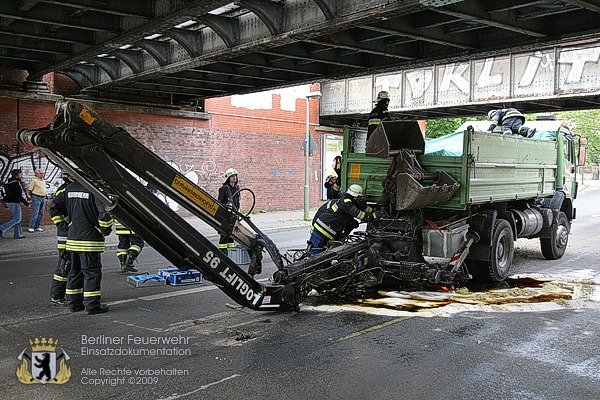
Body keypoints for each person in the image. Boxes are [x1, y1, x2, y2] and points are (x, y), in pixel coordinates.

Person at [49, 179, 113, 315]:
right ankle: (92, 305)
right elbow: (104, 213)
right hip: (90, 241)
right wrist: (105, 230)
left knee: (74, 272)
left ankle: (74, 304)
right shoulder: (95, 190)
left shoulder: (69, 188)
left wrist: (64, 226)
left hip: (72, 239)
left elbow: (54, 207)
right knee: (91, 274)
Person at [308, 184, 374, 255]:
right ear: (355, 197)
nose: (360, 199)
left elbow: (361, 207)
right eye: (359, 197)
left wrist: (373, 210)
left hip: (328, 230)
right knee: (314, 254)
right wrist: (372, 217)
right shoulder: (345, 203)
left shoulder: (349, 202)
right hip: (322, 230)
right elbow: (359, 214)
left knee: (324, 253)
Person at [49, 172, 74, 306]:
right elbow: (53, 209)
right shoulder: (65, 190)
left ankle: (72, 294)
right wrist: (63, 225)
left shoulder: (74, 188)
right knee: (64, 264)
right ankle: (57, 296)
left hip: (74, 233)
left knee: (74, 265)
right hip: (66, 234)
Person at [0, 168, 29, 239]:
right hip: (14, 203)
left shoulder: (12, 182)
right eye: (20, 173)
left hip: (11, 202)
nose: (21, 174)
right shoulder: (14, 184)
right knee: (17, 219)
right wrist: (26, 203)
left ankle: (18, 234)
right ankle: (1, 228)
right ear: (16, 175)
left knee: (17, 219)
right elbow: (18, 196)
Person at [217, 168, 241, 253]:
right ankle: (222, 251)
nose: (234, 177)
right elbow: (219, 202)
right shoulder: (224, 188)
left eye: (235, 175)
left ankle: (231, 252)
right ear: (228, 178)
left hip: (234, 216)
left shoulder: (237, 188)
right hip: (226, 216)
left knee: (231, 235)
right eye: (232, 176)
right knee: (224, 235)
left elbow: (237, 202)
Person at [27, 168, 47, 233]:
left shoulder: (43, 181)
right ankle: (31, 226)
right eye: (40, 173)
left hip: (43, 198)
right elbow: (29, 190)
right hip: (36, 197)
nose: (42, 174)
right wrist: (33, 196)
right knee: (35, 213)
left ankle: (37, 226)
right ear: (36, 174)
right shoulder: (34, 181)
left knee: (41, 213)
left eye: (42, 173)